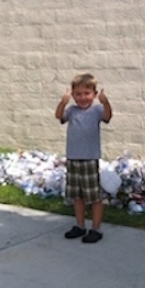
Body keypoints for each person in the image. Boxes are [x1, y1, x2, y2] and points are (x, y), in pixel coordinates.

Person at [55, 73, 113, 243]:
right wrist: (63, 102)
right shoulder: (71, 111)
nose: (82, 98)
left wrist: (105, 102)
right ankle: (80, 226)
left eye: (87, 94)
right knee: (77, 196)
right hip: (73, 159)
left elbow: (108, 116)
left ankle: (96, 229)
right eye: (78, 94)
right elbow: (59, 116)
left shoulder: (97, 110)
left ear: (94, 95)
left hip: (89, 159)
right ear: (73, 95)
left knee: (94, 197)